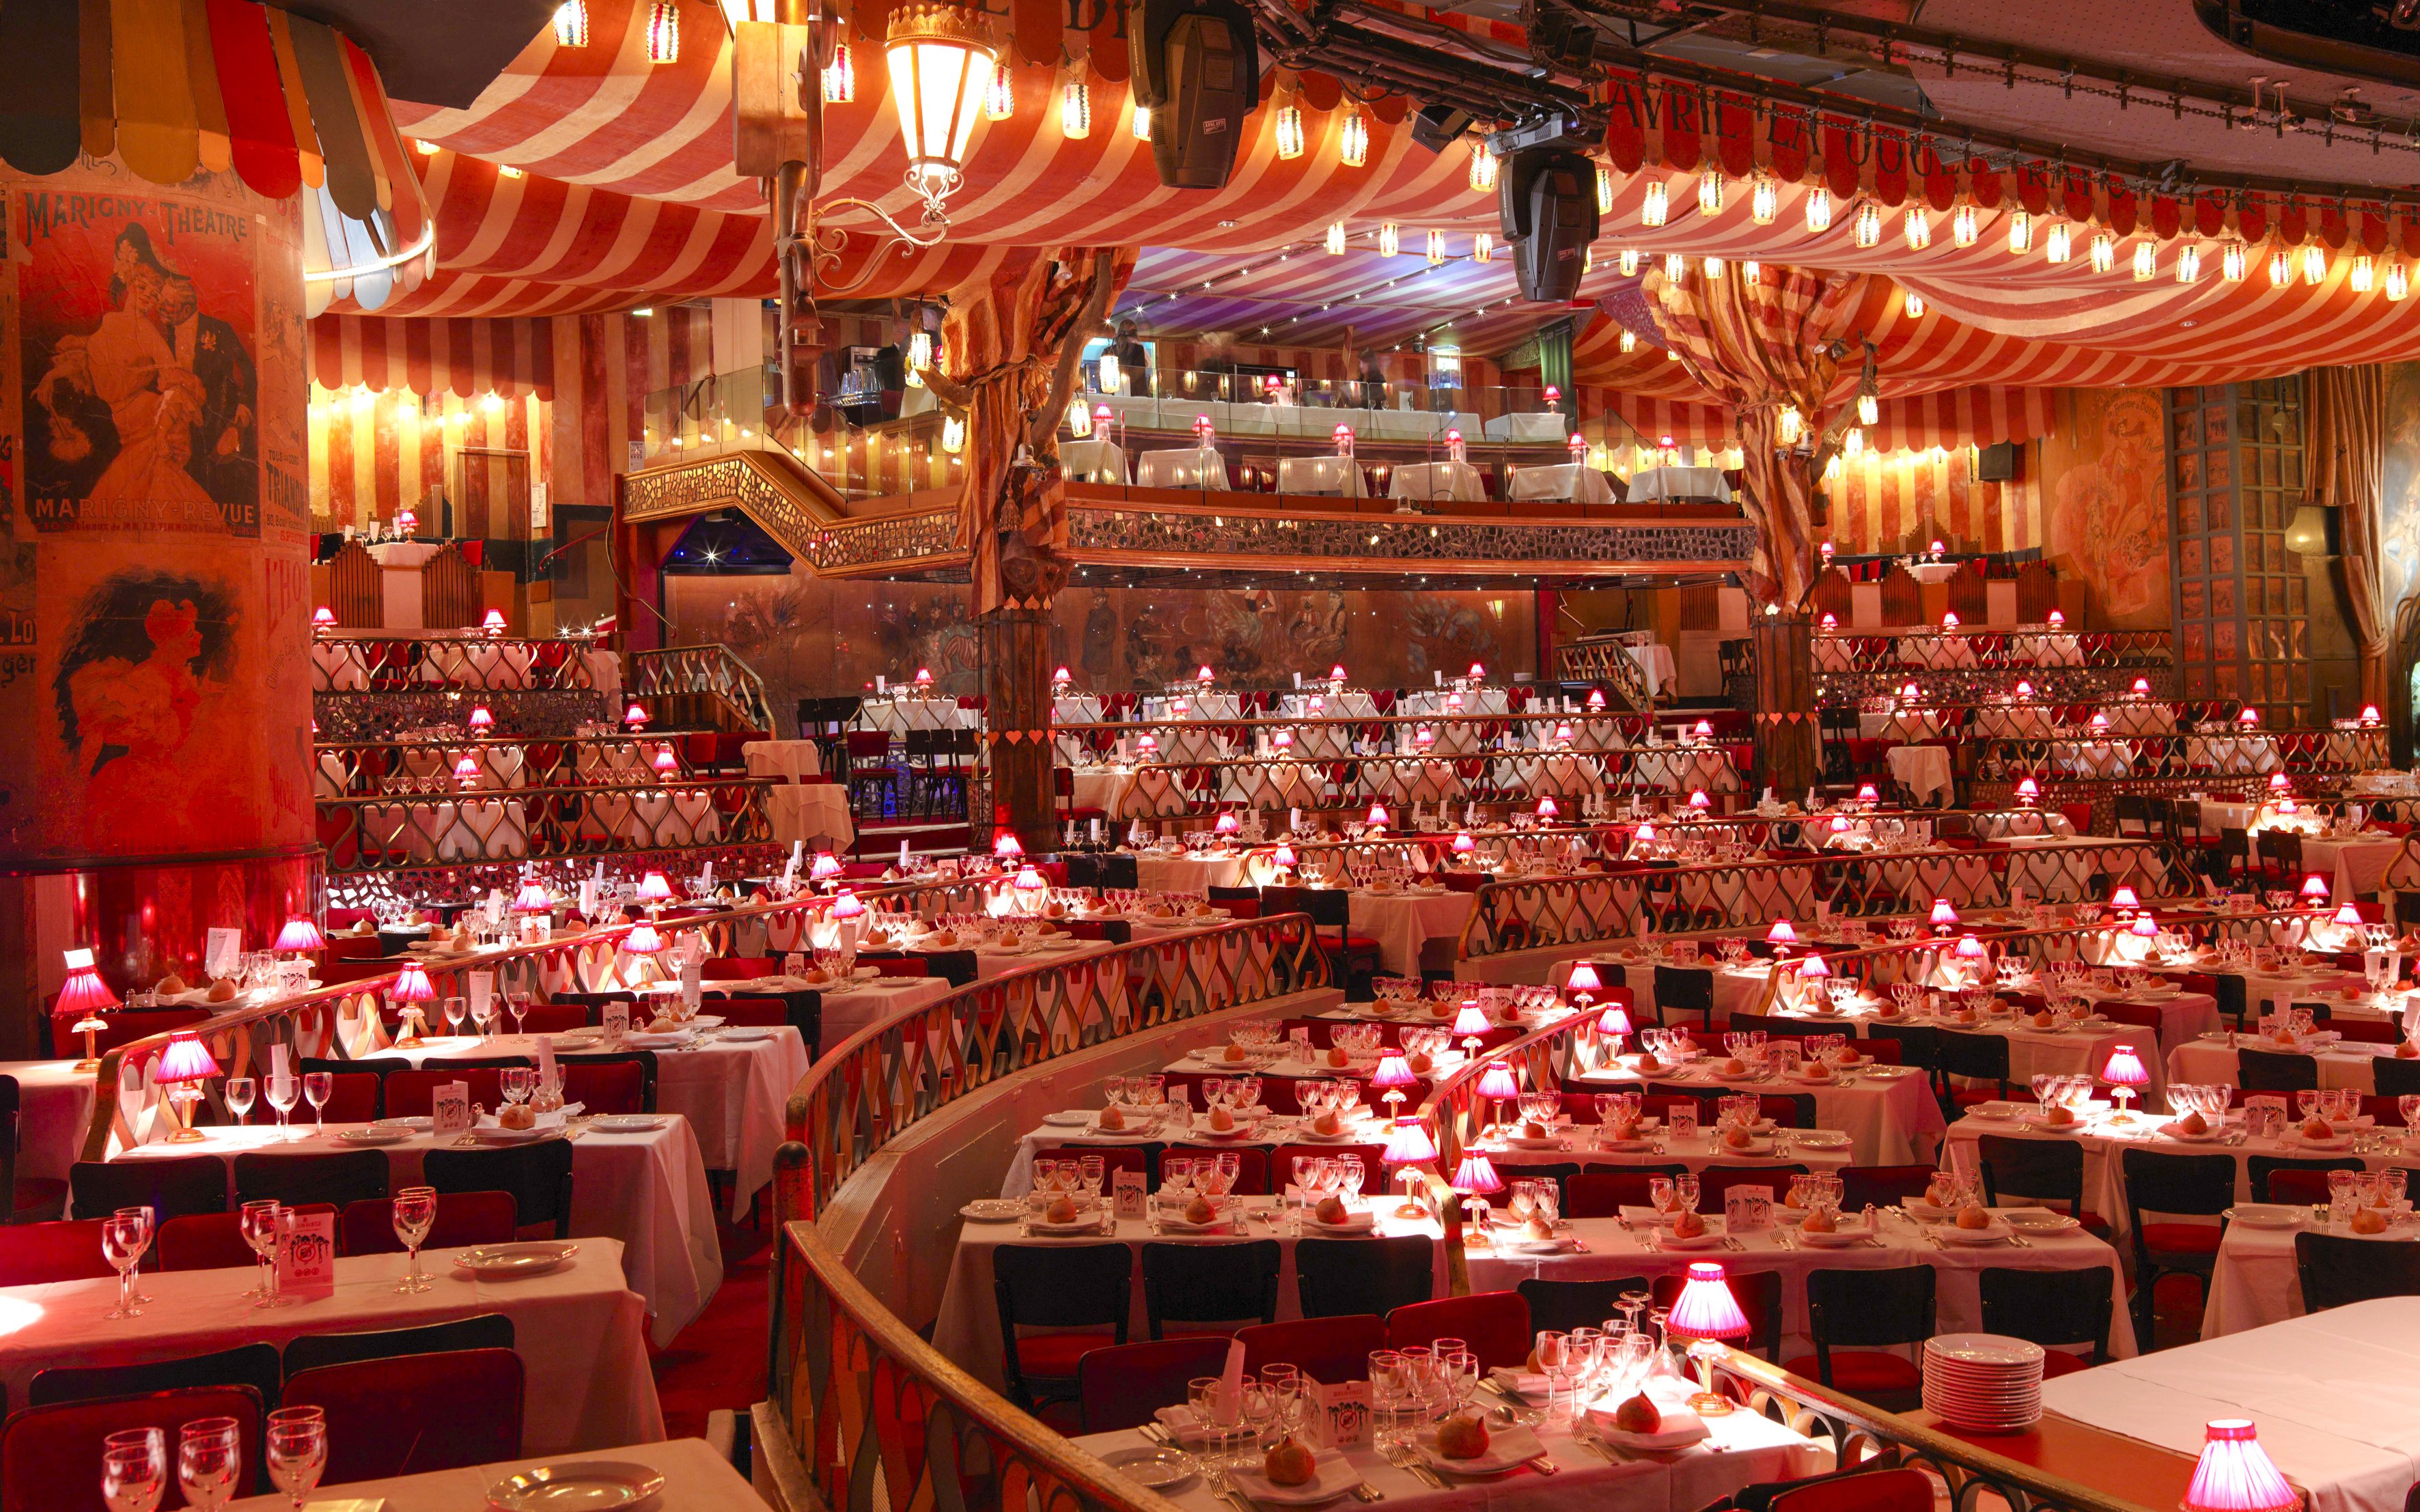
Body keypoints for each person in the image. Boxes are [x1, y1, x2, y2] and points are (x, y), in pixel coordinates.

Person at [156, 272, 257, 507]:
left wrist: (242, 413)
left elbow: (248, 371)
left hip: (219, 427)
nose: (161, 307)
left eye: (168, 303)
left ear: (186, 309)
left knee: (220, 497)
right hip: (182, 432)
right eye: (161, 300)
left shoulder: (218, 330)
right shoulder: (163, 335)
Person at [1107, 320, 1152, 396]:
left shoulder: (1109, 351)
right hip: (1136, 394)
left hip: (1114, 393)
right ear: (1135, 334)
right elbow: (1148, 364)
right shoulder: (1138, 349)